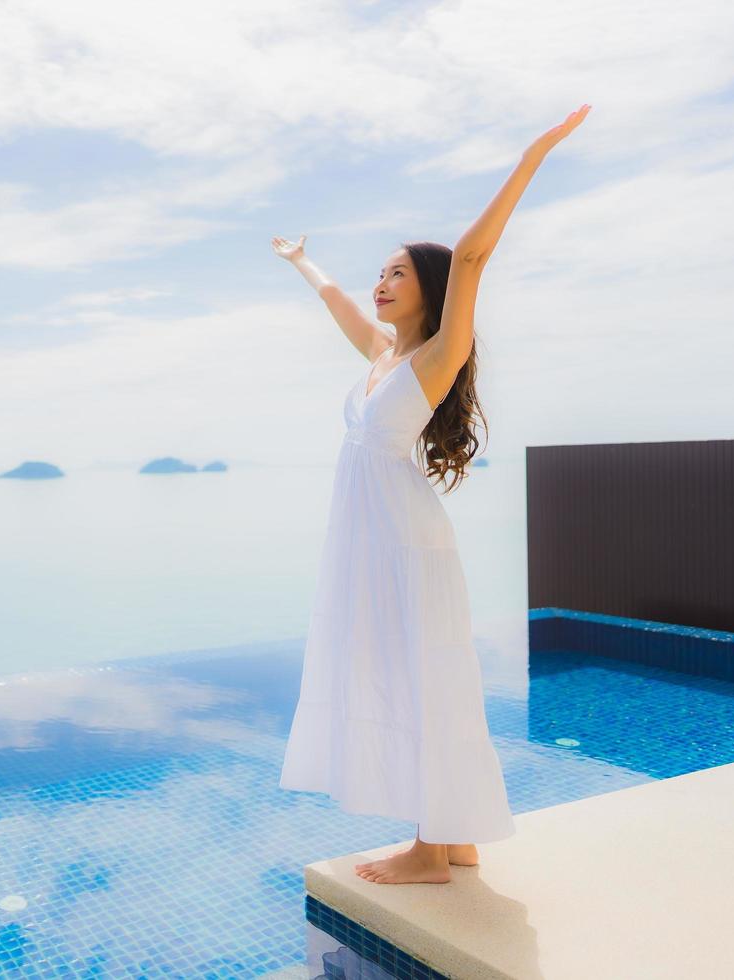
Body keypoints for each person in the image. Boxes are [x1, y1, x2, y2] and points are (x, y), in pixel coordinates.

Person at [273, 105, 591, 885]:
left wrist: (531, 155)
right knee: (405, 669)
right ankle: (455, 834)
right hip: (373, 536)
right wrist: (303, 264)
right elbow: (340, 306)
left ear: (431, 291)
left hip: (405, 538)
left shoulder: (438, 356)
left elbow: (475, 257)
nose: (380, 284)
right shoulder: (385, 356)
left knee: (426, 675)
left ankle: (429, 850)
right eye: (380, 273)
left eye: (397, 274)